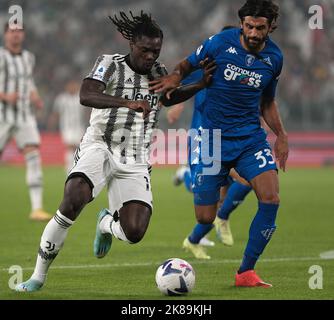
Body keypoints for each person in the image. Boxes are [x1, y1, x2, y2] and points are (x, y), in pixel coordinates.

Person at [15, 11, 215, 292]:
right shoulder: (109, 64)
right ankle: (37, 276)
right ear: (132, 44)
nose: (150, 56)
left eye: (155, 51)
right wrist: (126, 103)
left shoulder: (159, 72)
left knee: (134, 232)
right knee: (74, 198)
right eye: (145, 50)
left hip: (135, 157)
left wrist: (200, 84)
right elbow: (86, 94)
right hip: (100, 144)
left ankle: (106, 223)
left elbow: (168, 97)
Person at [150, 0, 289, 287]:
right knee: (205, 216)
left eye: (259, 28)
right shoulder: (219, 43)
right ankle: (206, 176)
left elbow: (267, 100)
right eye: (248, 26)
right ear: (241, 24)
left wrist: (282, 135)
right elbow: (186, 65)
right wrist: (174, 79)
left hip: (250, 138)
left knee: (271, 197)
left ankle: (245, 272)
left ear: (271, 27)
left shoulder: (275, 58)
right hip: (211, 139)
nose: (252, 32)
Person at [0, 22, 51, 222]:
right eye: (12, 31)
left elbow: (28, 81)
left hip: (24, 116)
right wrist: (4, 96)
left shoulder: (29, 58)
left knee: (33, 155)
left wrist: (35, 96)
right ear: (5, 35)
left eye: (19, 31)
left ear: (24, 35)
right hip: (2, 115)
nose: (16, 35)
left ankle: (37, 208)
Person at [49, 80, 89, 173]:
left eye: (74, 86)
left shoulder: (80, 97)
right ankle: (69, 169)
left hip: (79, 127)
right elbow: (56, 113)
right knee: (70, 147)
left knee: (78, 148)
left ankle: (76, 168)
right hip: (66, 127)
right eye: (70, 86)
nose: (72, 88)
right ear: (66, 87)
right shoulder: (61, 99)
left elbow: (86, 112)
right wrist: (52, 125)